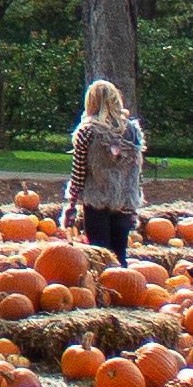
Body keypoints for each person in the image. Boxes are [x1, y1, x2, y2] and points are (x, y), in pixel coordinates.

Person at [62, 78, 148, 264]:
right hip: (125, 199)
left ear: (90, 102)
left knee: (101, 254)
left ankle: (106, 289)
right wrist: (134, 202)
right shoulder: (133, 130)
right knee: (120, 255)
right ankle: (121, 287)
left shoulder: (87, 131)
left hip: (97, 199)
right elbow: (137, 170)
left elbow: (78, 171)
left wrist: (71, 204)